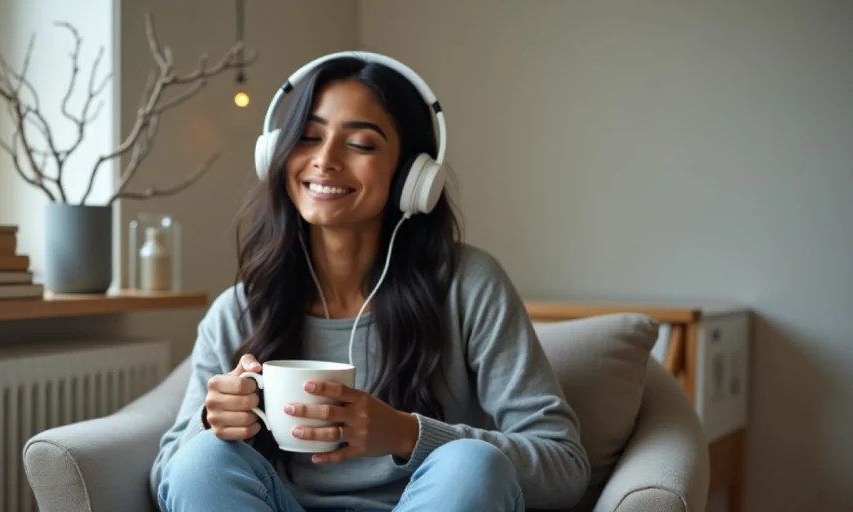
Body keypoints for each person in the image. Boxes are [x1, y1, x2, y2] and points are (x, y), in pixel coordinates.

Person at [151, 51, 590, 512]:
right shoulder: (241, 307)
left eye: (360, 143)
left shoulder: (468, 287)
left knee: (472, 465)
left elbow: (564, 465)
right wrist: (212, 422)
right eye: (307, 137)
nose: (325, 160)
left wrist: (404, 433)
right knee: (200, 459)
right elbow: (169, 475)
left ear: (413, 175)